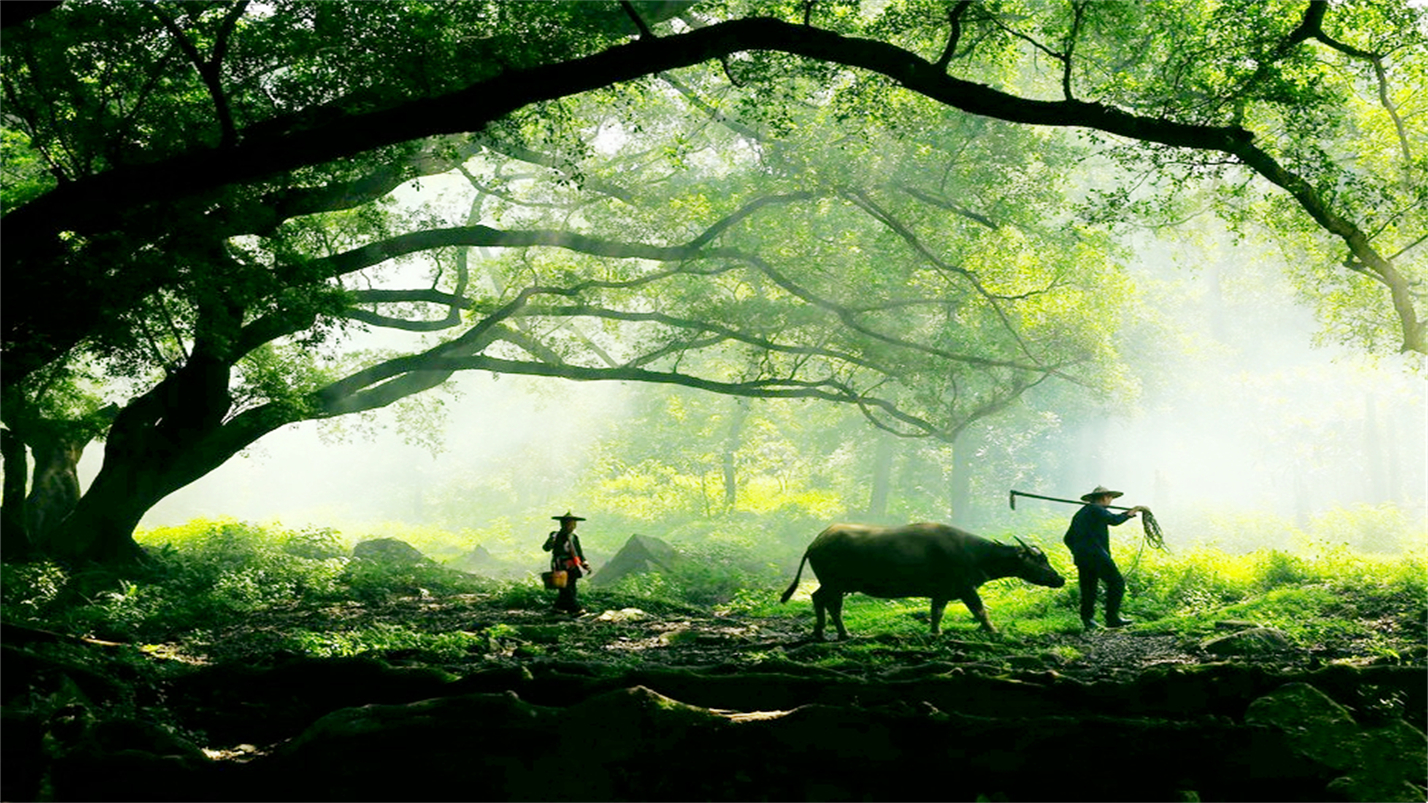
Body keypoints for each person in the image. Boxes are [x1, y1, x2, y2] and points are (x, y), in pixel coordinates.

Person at [1063, 486, 1148, 631]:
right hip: (1097, 555)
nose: (1111, 501)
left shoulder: (1082, 513)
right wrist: (1132, 511)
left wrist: (1078, 552)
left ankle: (1088, 620)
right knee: (1117, 583)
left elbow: (1067, 538)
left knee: (1089, 588)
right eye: (1110, 498)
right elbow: (1114, 520)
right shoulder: (1097, 510)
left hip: (1082, 558)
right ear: (1104, 497)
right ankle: (1112, 618)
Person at [543, 511, 591, 614]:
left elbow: (579, 552)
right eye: (569, 523)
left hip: (573, 565)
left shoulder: (574, 537)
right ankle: (576, 609)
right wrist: (551, 542)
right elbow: (546, 548)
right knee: (566, 587)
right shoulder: (555, 535)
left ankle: (558, 608)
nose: (571, 526)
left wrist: (584, 563)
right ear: (562, 524)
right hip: (560, 564)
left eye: (573, 524)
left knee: (571, 587)